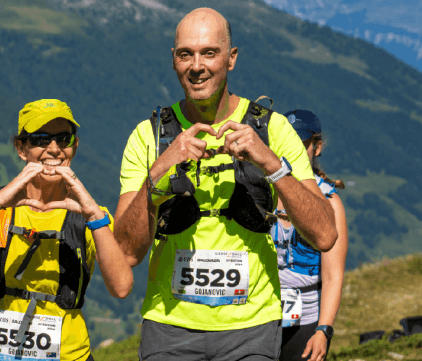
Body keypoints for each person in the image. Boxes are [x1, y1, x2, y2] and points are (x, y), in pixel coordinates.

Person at [113, 7, 338, 361]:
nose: (197, 66)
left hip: (252, 327)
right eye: (186, 54)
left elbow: (325, 235)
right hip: (169, 326)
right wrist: (157, 174)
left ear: (230, 59)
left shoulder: (273, 130)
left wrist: (271, 164)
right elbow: (126, 253)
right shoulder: (149, 136)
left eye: (209, 53)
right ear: (174, 60)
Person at [0, 99, 133, 361]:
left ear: (75, 145)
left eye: (63, 139)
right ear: (21, 148)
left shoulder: (91, 216)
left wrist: (94, 214)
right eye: (40, 139)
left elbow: (122, 287)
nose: (54, 149)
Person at [273, 110, 348, 361]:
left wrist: (323, 330)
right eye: (285, 142)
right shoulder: (261, 193)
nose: (291, 151)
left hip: (305, 320)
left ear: (317, 148)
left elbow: (332, 274)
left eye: (300, 144)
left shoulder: (330, 202)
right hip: (256, 319)